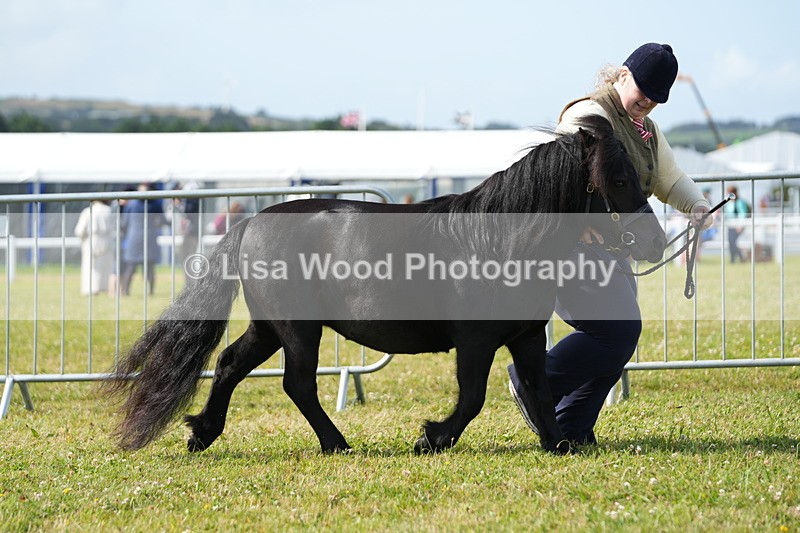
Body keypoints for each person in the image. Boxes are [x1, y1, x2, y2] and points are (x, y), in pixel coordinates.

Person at [507, 43, 712, 446]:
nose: (649, 101)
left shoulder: (647, 131)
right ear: (621, 75)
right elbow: (560, 175)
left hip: (614, 252)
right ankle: (535, 381)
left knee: (615, 345)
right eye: (644, 90)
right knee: (618, 332)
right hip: (574, 250)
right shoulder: (587, 115)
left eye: (658, 97)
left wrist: (698, 205)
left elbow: (669, 178)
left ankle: (571, 426)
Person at [120, 183, 169, 296]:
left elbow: (124, 222)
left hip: (134, 238)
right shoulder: (155, 205)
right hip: (150, 238)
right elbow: (163, 220)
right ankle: (151, 292)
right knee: (150, 268)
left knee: (131, 267)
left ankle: (126, 292)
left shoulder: (131, 204)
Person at [74, 200, 115, 295]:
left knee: (91, 267)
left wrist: (83, 239)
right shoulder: (110, 211)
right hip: (107, 241)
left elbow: (79, 231)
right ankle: (105, 288)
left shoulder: (88, 211)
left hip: (92, 240)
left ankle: (90, 289)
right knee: (106, 266)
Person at [724, 185, 750, 263]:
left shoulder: (740, 202)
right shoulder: (729, 203)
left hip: (738, 225)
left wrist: (740, 225)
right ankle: (734, 259)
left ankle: (740, 257)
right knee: (731, 242)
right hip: (730, 225)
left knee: (733, 242)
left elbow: (743, 214)